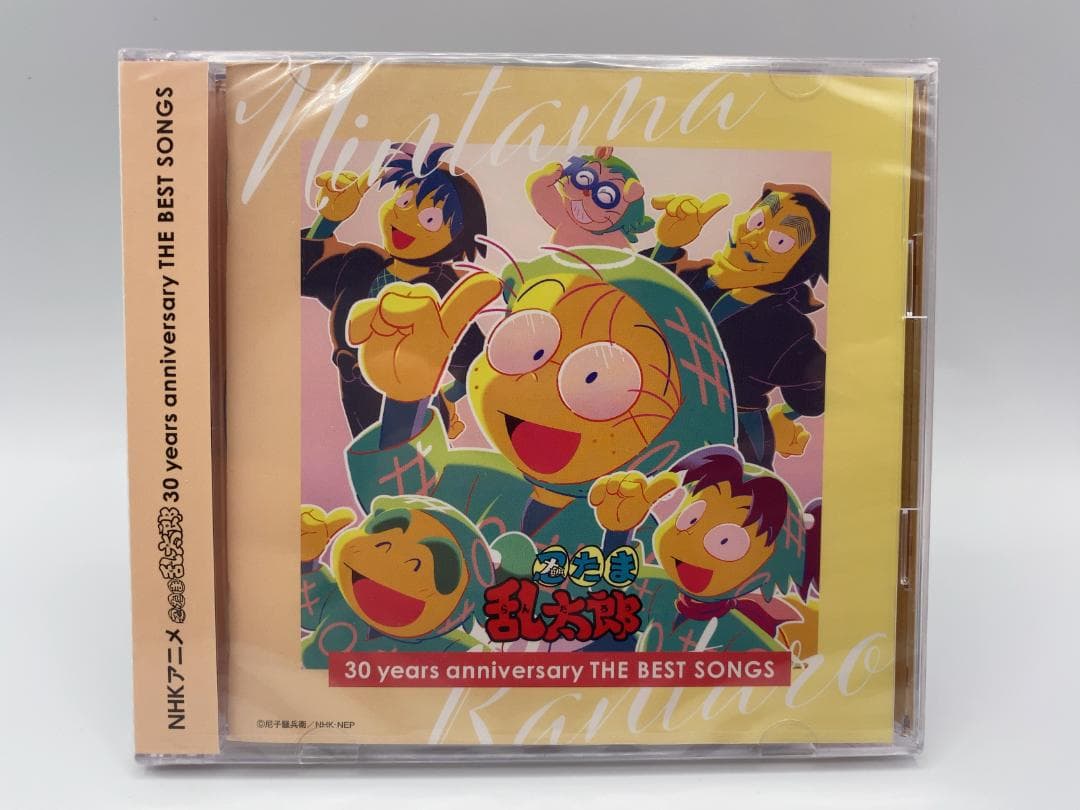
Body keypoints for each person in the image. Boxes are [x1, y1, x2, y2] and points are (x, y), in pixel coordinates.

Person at [301, 143, 488, 438]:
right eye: (403, 202)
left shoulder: (445, 290)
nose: (405, 219)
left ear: (457, 237)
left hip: (418, 418)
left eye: (429, 219)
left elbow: (475, 368)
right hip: (360, 408)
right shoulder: (362, 264)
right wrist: (330, 219)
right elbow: (301, 275)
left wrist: (444, 397)